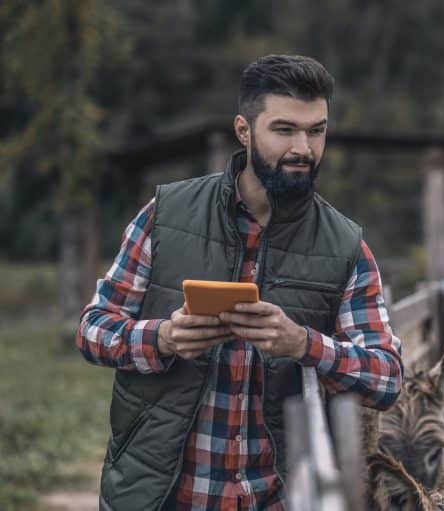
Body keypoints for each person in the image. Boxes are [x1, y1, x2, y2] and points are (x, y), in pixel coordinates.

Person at [77, 54, 403, 511]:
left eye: (317, 130)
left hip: (278, 499)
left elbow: (387, 378)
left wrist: (304, 344)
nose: (304, 149)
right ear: (244, 130)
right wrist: (164, 337)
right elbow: (93, 330)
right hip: (161, 496)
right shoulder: (166, 215)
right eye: (285, 129)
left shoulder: (346, 247)